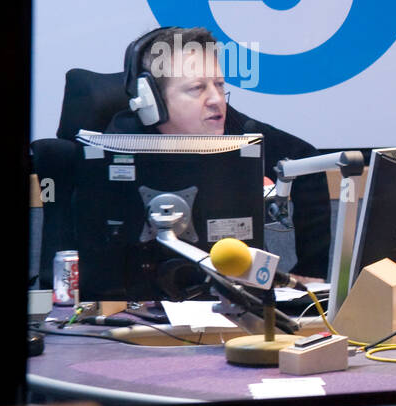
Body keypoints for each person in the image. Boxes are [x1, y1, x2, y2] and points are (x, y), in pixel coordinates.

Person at [107, 25, 332, 280]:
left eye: (219, 84)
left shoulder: (239, 131)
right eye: (197, 88)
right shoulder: (115, 148)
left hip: (236, 295)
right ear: (151, 101)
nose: (217, 99)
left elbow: (307, 163)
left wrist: (310, 278)